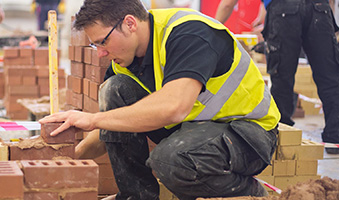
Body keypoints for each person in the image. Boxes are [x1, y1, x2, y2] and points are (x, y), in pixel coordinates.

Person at [39, 0, 281, 199]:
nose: (101, 52)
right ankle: (137, 196)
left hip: (247, 134)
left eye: (103, 41)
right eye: (95, 46)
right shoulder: (124, 62)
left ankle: (251, 193)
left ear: (130, 23)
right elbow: (109, 128)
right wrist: (65, 157)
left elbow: (175, 108)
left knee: (169, 161)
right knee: (113, 89)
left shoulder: (189, 33)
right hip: (195, 130)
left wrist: (92, 119)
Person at [261, 0, 339, 153]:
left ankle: (282, 138)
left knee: (282, 76)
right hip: (319, 8)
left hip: (283, 9)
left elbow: (228, 4)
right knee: (330, 79)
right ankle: (335, 139)